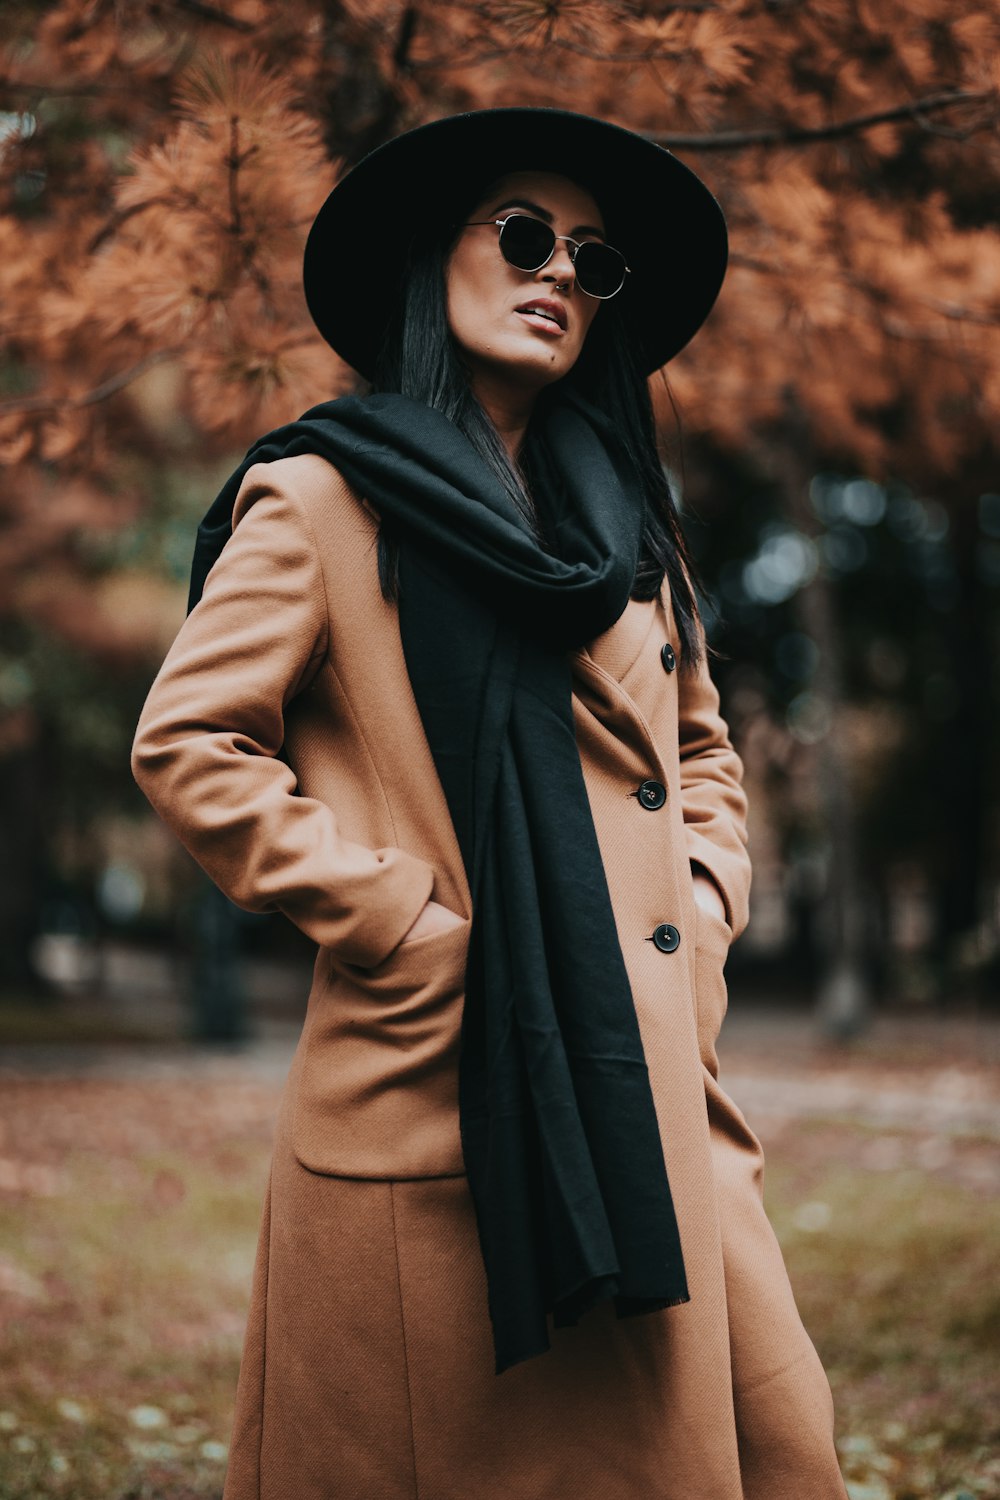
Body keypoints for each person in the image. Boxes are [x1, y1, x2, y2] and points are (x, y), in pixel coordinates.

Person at [131, 108, 848, 1500]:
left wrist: (702, 907)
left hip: (654, 1098)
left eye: (594, 260)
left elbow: (703, 756)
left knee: (773, 1454)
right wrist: (407, 931)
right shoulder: (323, 498)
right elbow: (191, 744)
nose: (561, 274)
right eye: (524, 235)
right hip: (434, 1101)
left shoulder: (630, 526)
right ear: (435, 259)